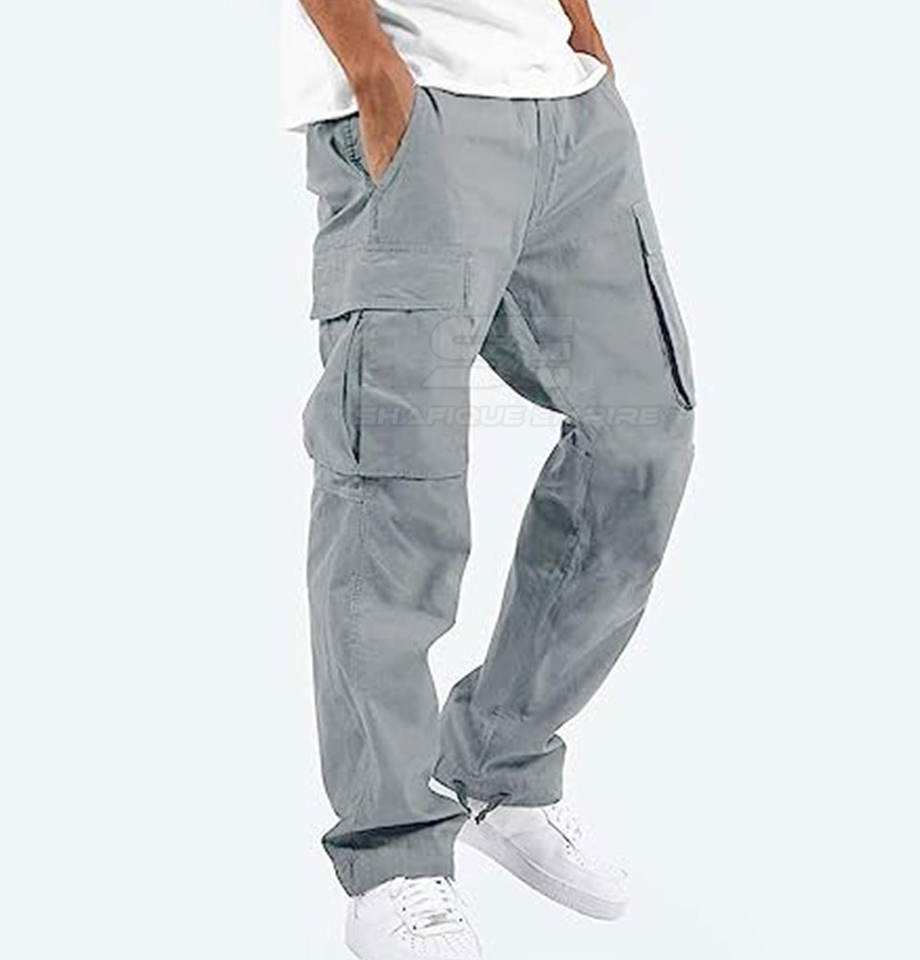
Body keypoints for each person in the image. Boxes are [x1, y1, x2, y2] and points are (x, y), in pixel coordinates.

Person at [284, 0, 695, 956]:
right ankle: (392, 856)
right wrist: (372, 71)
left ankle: (498, 768)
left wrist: (584, 43)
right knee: (395, 477)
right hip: (415, 98)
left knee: (641, 437)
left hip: (571, 112)